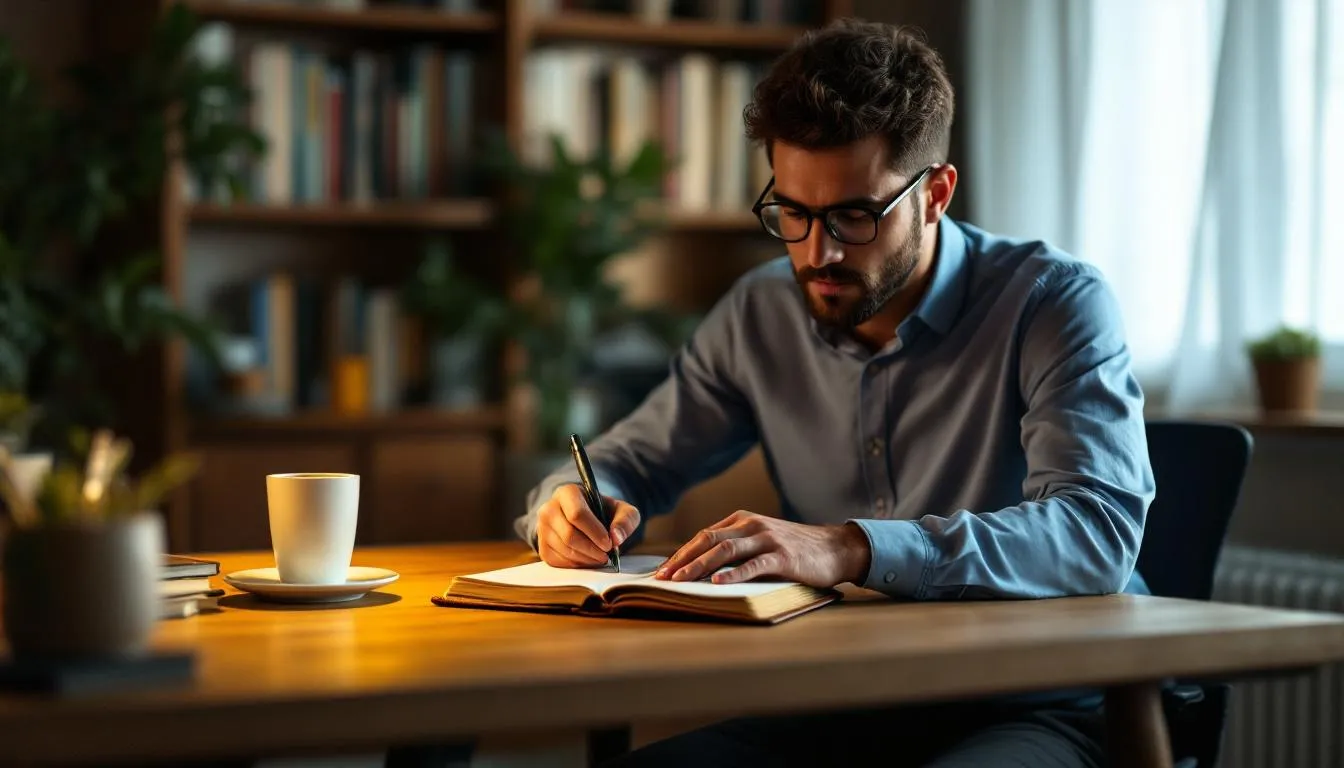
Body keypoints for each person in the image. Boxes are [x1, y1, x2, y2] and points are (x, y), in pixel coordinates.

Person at [514, 18, 1154, 768]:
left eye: (856, 215)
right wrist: (569, 507)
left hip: (1038, 700)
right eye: (792, 212)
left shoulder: (1053, 302)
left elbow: (1094, 531)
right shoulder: (761, 311)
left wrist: (850, 547)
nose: (818, 252)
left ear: (936, 194)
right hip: (837, 701)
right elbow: (632, 461)